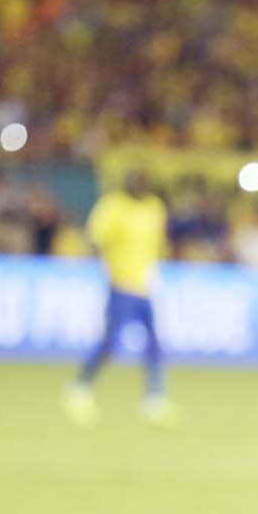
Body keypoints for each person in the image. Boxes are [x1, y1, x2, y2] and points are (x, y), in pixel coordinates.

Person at [63, 169, 177, 426]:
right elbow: (95, 237)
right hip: (121, 285)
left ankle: (154, 399)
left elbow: (157, 244)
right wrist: (109, 265)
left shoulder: (154, 208)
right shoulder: (113, 206)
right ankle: (80, 387)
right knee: (110, 343)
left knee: (154, 344)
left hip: (146, 286)